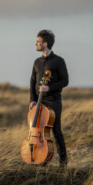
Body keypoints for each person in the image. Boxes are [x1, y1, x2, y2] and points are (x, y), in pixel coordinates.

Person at [30, 30, 69, 168]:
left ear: (45, 44)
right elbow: (32, 82)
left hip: (53, 100)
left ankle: (63, 162)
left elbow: (65, 81)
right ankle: (40, 159)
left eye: (38, 41)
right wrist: (32, 100)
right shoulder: (37, 62)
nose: (35, 44)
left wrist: (49, 87)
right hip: (39, 102)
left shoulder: (58, 61)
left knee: (56, 131)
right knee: (38, 130)